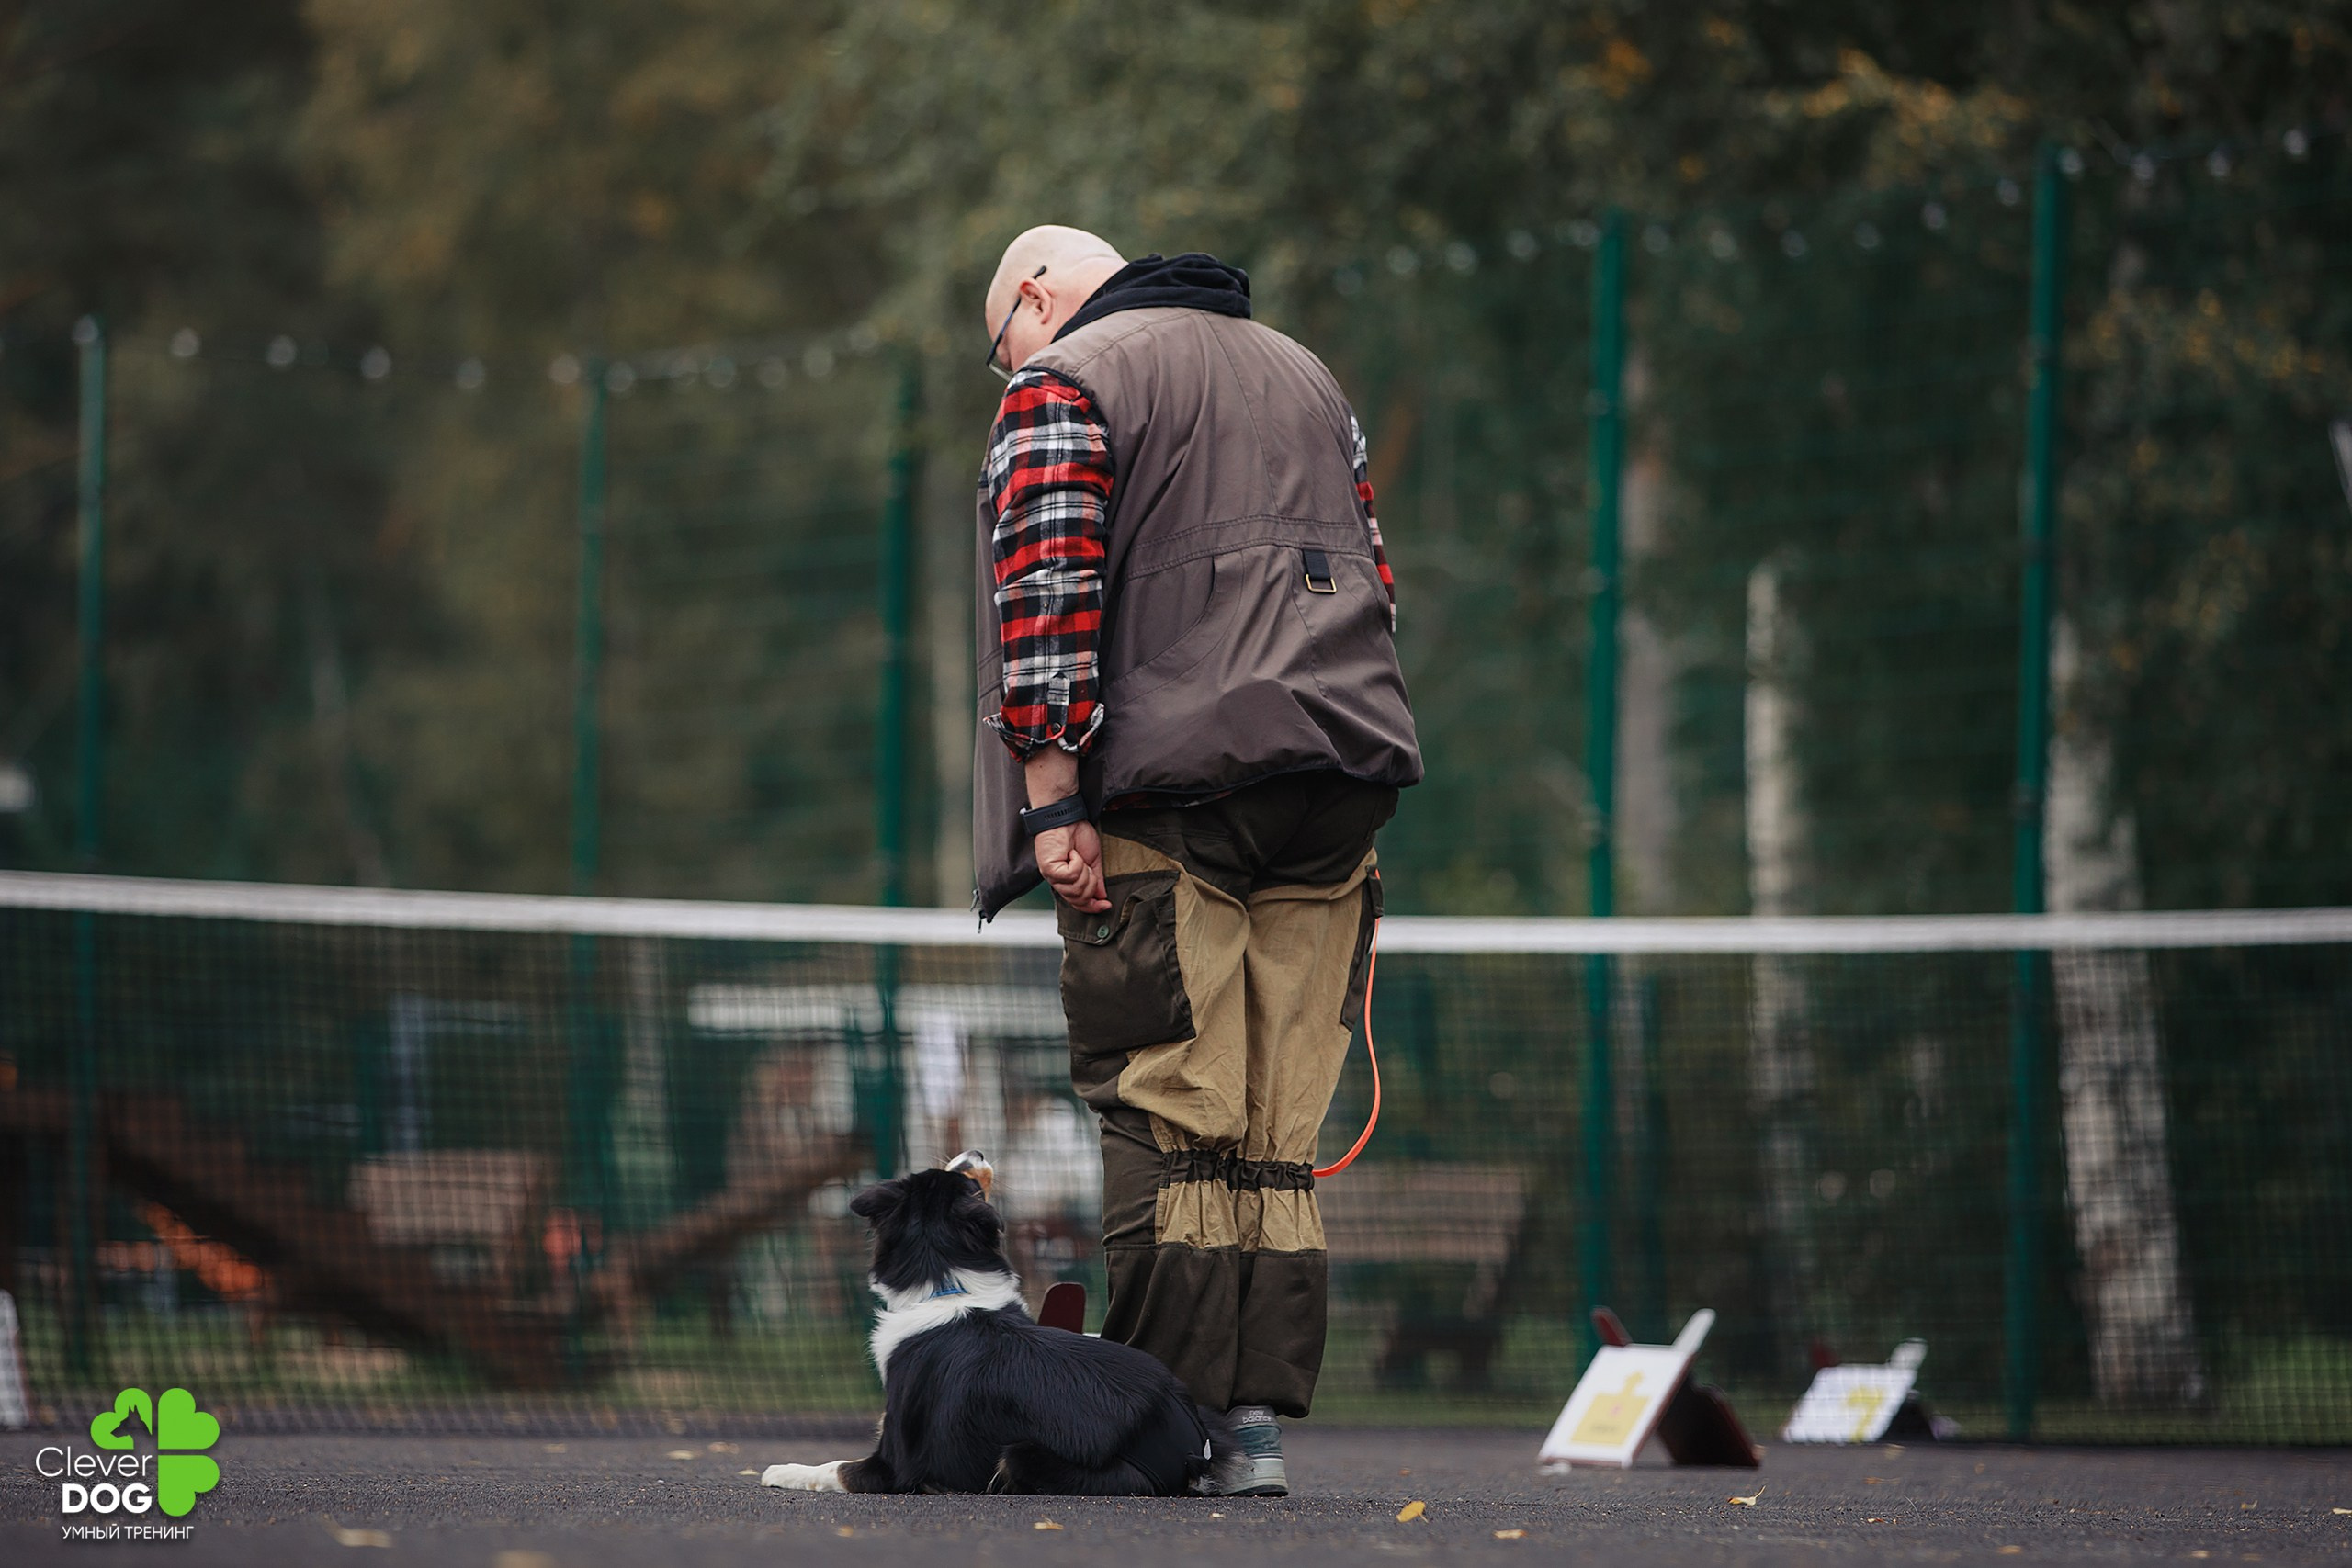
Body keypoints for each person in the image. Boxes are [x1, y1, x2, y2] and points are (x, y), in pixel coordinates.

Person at [969, 225, 1421, 1496]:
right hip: (1339, 778)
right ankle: (1251, 1430)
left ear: (1035, 297)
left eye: (1000, 344)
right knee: (1272, 1115)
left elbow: (1044, 595)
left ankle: (1154, 1432)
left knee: (1165, 1095)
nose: (1008, 369)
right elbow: (1377, 584)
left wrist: (1050, 798)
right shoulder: (1305, 371)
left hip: (1174, 788)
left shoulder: (1065, 380)